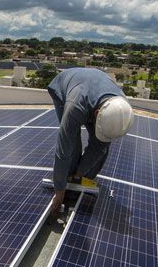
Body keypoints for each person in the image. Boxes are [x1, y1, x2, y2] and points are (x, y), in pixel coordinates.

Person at [47, 67, 133, 215]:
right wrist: (59, 191)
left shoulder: (120, 108)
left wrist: (80, 173)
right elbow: (63, 151)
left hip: (93, 91)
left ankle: (78, 180)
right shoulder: (76, 106)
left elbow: (99, 147)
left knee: (101, 148)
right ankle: (66, 183)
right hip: (64, 86)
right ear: (97, 114)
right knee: (72, 143)